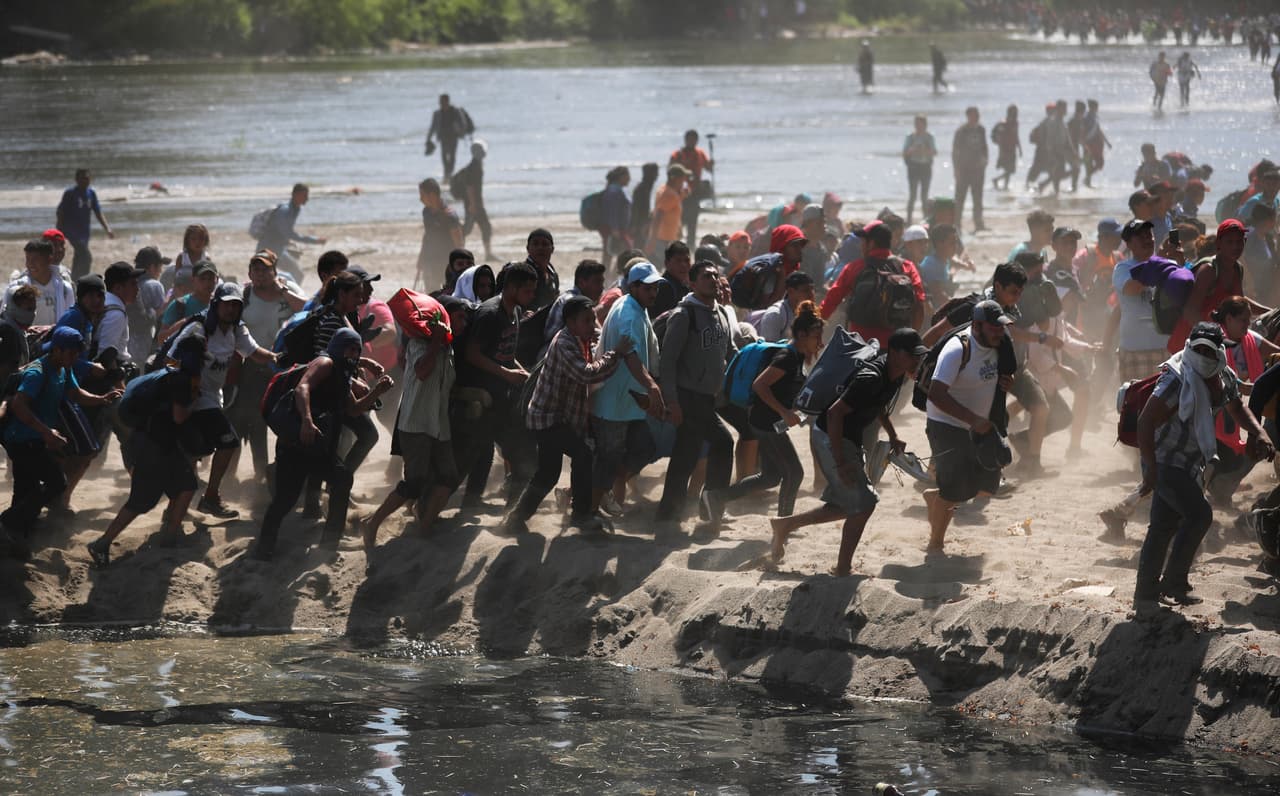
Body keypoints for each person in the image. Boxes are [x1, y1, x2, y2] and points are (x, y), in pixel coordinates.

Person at [1134, 322, 1273, 612]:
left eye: (1208, 350)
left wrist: (1258, 433)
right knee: (1199, 515)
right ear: (1189, 346)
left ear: (1219, 350)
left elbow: (1237, 406)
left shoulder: (1220, 372)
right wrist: (1150, 469)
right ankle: (1171, 583)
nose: (1202, 355)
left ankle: (1149, 594)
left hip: (1189, 463)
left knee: (1163, 525)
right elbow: (1145, 422)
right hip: (1165, 460)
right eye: (1198, 349)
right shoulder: (1176, 378)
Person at [770, 328, 926, 573]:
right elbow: (834, 413)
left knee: (847, 505)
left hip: (847, 438)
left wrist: (893, 435)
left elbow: (879, 405)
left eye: (919, 355)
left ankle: (786, 525)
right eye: (912, 355)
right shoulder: (871, 376)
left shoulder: (895, 374)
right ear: (895, 352)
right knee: (864, 504)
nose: (917, 360)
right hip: (830, 437)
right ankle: (842, 568)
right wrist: (840, 462)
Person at [252, 328, 394, 561]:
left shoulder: (343, 373)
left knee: (342, 478)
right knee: (285, 500)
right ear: (338, 346)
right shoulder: (325, 363)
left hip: (320, 448)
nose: (353, 353)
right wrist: (307, 421)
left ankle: (330, 543)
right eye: (349, 348)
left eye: (357, 349)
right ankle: (264, 548)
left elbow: (353, 409)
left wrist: (378, 391)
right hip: (297, 445)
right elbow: (302, 388)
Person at [504, 296, 629, 535]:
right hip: (548, 418)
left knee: (548, 473)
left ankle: (516, 518)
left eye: (594, 318)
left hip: (556, 417)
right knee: (582, 454)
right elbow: (586, 374)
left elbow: (597, 341)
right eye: (587, 320)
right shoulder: (564, 343)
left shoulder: (582, 336)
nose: (593, 324)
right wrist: (616, 354)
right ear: (570, 322)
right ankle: (581, 515)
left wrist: (604, 342)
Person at [86, 336, 206, 566]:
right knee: (142, 501)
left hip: (148, 442)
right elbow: (179, 416)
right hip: (154, 447)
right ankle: (102, 543)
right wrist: (194, 400)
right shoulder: (181, 381)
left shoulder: (164, 373)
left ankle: (170, 537)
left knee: (186, 486)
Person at [363, 296, 468, 551]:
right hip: (416, 423)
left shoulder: (448, 347)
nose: (464, 322)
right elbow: (422, 372)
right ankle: (373, 522)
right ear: (444, 319)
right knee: (414, 483)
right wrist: (434, 340)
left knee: (449, 477)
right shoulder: (420, 344)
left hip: (439, 424)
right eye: (460, 317)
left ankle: (424, 527)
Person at [1, 328, 120, 547]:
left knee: (26, 489)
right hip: (21, 440)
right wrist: (47, 432)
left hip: (33, 439)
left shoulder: (63, 369)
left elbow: (75, 394)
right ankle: (8, 523)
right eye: (71, 353)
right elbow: (18, 405)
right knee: (56, 482)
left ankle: (17, 537)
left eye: (77, 354)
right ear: (56, 350)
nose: (75, 358)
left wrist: (101, 399)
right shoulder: (37, 373)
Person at [170, 283, 281, 520]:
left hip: (213, 398)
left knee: (193, 452)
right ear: (215, 304)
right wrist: (188, 384)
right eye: (227, 304)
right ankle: (208, 498)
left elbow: (254, 352)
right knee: (228, 443)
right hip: (194, 399)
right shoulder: (198, 329)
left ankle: (178, 510)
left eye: (236, 305)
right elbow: (169, 360)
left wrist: (275, 357)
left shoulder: (236, 330)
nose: (231, 309)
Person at [714, 303, 824, 520]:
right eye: (816, 336)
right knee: (794, 473)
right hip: (766, 423)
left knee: (771, 477)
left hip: (767, 422)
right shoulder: (787, 357)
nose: (820, 342)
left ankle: (716, 497)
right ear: (802, 335)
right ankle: (783, 523)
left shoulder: (798, 357)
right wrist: (784, 412)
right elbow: (759, 385)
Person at [923, 301, 1015, 554]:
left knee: (986, 486)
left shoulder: (999, 345)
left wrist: (1007, 382)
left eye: (1002, 327)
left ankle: (935, 496)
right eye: (994, 327)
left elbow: (997, 374)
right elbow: (936, 394)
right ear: (976, 325)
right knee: (955, 491)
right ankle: (935, 545)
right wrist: (973, 419)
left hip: (980, 426)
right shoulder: (956, 350)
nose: (1000, 332)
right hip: (947, 424)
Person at [656, 260, 734, 528]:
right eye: (705, 276)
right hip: (688, 396)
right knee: (723, 443)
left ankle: (668, 513)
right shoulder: (684, 314)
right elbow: (667, 362)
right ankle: (712, 506)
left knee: (686, 455)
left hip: (708, 397)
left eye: (715, 275)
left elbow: (729, 352)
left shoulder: (722, 313)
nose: (712, 279)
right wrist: (672, 401)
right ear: (692, 282)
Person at [454, 262, 537, 507]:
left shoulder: (515, 312)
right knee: (475, 456)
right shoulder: (490, 314)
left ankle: (480, 505)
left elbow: (506, 352)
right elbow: (472, 354)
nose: (532, 296)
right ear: (511, 288)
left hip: (501, 395)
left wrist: (523, 372)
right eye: (528, 291)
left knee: (490, 453)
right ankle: (430, 505)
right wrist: (507, 374)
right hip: (483, 395)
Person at [590, 261, 666, 516]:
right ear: (633, 286)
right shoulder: (628, 312)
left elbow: (647, 351)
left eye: (655, 288)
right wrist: (652, 385)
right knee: (608, 459)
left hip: (629, 401)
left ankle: (603, 497)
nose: (653, 293)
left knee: (643, 448)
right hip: (613, 403)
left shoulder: (637, 307)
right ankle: (588, 512)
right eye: (647, 288)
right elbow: (630, 354)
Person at [229, 250, 307, 483]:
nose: (260, 274)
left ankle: (284, 473)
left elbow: (308, 310)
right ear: (250, 273)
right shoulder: (244, 295)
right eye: (256, 270)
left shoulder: (288, 293)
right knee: (248, 421)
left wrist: (283, 290)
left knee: (286, 420)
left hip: (284, 367)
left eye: (265, 270)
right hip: (250, 366)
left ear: (275, 271)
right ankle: (255, 474)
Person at [1167, 219, 1268, 354]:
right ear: (1219, 244)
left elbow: (1240, 303)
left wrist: (1271, 311)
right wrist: (1213, 336)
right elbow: (1190, 311)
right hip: (1190, 343)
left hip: (1215, 344)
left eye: (1239, 241)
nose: (1235, 247)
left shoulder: (1237, 269)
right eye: (1230, 242)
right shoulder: (1208, 270)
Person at [820, 221, 925, 348]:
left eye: (863, 242)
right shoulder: (907, 267)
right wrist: (910, 339)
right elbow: (919, 306)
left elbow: (831, 301)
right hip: (896, 347)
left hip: (861, 346)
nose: (861, 246)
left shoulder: (854, 268)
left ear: (871, 243)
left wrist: (815, 328)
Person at [255, 184, 326, 284]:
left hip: (278, 250)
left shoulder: (295, 209)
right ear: (296, 195)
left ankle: (288, 297)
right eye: (305, 195)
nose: (307, 198)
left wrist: (288, 242)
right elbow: (289, 233)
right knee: (295, 274)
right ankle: (289, 297)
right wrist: (314, 240)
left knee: (296, 274)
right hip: (267, 251)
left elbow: (282, 233)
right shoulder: (285, 211)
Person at [55, 168, 114, 280]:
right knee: (87, 257)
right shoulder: (70, 193)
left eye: (87, 178)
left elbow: (98, 212)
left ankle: (75, 280)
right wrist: (58, 231)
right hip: (71, 232)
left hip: (85, 232)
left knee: (79, 257)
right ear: (77, 179)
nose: (85, 181)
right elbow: (60, 212)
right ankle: (84, 280)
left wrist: (107, 229)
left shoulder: (91, 193)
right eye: (82, 178)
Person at [3, 238, 74, 328]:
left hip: (55, 340)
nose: (30, 264)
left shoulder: (64, 288)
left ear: (49, 259)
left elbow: (70, 320)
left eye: (35, 259)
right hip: (26, 341)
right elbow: (5, 320)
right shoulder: (16, 288)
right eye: (28, 259)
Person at [414, 178, 464, 292]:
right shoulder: (426, 212)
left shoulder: (450, 216)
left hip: (446, 263)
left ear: (432, 195)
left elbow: (459, 243)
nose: (420, 199)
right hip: (429, 260)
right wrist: (421, 257)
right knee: (431, 294)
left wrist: (459, 265)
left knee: (448, 294)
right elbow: (427, 236)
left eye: (422, 194)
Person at [544, 259, 606, 347]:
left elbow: (599, 333)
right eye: (597, 282)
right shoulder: (573, 303)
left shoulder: (585, 304)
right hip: (555, 351)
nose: (602, 287)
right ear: (581, 282)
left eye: (602, 282)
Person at [670, 130, 714, 246]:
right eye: (690, 139)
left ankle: (690, 247)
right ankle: (676, 245)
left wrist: (711, 164)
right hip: (680, 194)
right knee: (679, 222)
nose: (692, 142)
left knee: (692, 223)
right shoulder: (677, 155)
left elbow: (708, 169)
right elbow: (670, 172)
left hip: (694, 194)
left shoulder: (700, 153)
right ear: (685, 140)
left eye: (694, 140)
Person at [452, 140, 493, 261]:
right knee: (466, 230)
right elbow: (470, 187)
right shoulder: (474, 168)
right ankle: (457, 250)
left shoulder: (476, 165)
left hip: (475, 204)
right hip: (473, 204)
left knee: (485, 227)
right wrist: (473, 204)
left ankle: (488, 254)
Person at [127, 246, 169, 365]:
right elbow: (162, 315)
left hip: (126, 341)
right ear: (152, 267)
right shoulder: (154, 285)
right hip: (144, 342)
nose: (161, 271)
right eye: (160, 267)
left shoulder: (129, 283)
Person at [158, 260, 218, 341]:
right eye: (202, 279)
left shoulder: (220, 305)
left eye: (210, 278)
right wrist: (184, 324)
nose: (207, 283)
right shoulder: (180, 305)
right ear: (193, 280)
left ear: (217, 280)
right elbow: (161, 338)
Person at [952, 107, 988, 233]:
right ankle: (957, 224)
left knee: (978, 198)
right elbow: (955, 151)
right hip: (964, 170)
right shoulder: (962, 131)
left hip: (978, 170)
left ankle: (978, 224)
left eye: (977, 115)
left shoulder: (981, 129)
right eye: (973, 115)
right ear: (968, 116)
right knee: (960, 199)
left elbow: (984, 147)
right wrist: (956, 170)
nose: (976, 117)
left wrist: (985, 161)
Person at [424, 93, 475, 184]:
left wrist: (461, 132)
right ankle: (447, 174)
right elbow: (433, 127)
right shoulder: (437, 113)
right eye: (440, 102)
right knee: (444, 156)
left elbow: (463, 123)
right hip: (443, 137)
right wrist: (428, 138)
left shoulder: (455, 111)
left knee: (452, 157)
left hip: (453, 137)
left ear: (447, 101)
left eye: (442, 102)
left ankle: (449, 175)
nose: (441, 104)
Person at [753, 271, 815, 343]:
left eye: (812, 289)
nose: (811, 294)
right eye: (805, 290)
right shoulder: (775, 315)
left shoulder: (808, 314)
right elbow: (768, 350)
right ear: (790, 291)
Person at [649, 164, 690, 259]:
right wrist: (652, 241)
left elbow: (671, 209)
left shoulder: (664, 190)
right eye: (683, 178)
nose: (684, 181)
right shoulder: (669, 195)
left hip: (666, 238)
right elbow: (658, 216)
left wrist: (679, 229)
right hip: (664, 240)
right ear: (675, 179)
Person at [0, 286, 38, 386]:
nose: (32, 314)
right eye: (28, 309)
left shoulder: (14, 327)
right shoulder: (8, 333)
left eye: (34, 309)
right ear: (14, 307)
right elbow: (6, 374)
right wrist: (36, 366)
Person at [903, 115, 936, 225]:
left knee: (924, 195)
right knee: (912, 195)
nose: (918, 126)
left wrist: (925, 150)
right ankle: (909, 219)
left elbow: (934, 152)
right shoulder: (910, 137)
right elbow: (904, 152)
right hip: (913, 167)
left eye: (921, 124)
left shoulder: (929, 137)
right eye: (917, 124)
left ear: (925, 125)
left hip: (925, 167)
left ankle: (925, 219)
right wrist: (913, 149)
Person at [648, 241, 693, 320]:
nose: (684, 265)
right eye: (678, 261)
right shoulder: (664, 288)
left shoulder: (685, 285)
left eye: (687, 260)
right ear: (666, 263)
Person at [163, 224, 211, 291]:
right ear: (187, 241)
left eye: (201, 238)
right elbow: (176, 278)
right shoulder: (182, 257)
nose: (197, 242)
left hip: (200, 290)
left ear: (205, 240)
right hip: (183, 289)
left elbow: (209, 279)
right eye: (193, 239)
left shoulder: (206, 258)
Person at [600, 166, 633, 259]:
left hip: (616, 228)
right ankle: (609, 273)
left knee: (615, 253)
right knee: (617, 253)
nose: (630, 179)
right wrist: (614, 229)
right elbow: (612, 210)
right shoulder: (614, 190)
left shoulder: (615, 189)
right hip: (614, 229)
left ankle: (612, 273)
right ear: (621, 177)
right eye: (628, 176)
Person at [629, 162, 660, 253]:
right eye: (655, 173)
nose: (657, 175)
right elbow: (636, 209)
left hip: (643, 223)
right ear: (649, 174)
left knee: (640, 249)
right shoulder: (642, 188)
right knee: (639, 249)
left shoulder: (646, 187)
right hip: (641, 225)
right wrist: (637, 225)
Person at [1080, 99, 1110, 188]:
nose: (1097, 108)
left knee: (1098, 163)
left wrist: (1107, 142)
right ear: (1093, 107)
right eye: (1096, 107)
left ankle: (1087, 179)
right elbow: (1083, 131)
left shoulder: (1094, 117)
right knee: (1091, 163)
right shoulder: (1087, 117)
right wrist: (1083, 143)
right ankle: (1087, 182)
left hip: (1096, 142)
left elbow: (1098, 130)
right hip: (1090, 143)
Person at [990, 105, 1021, 191]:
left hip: (1012, 149)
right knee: (1008, 169)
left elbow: (1016, 136)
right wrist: (998, 142)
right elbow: (995, 135)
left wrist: (1020, 148)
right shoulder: (1003, 123)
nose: (1015, 114)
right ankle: (997, 181)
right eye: (1014, 112)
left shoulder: (1015, 123)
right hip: (1004, 149)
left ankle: (1004, 185)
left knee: (1010, 170)